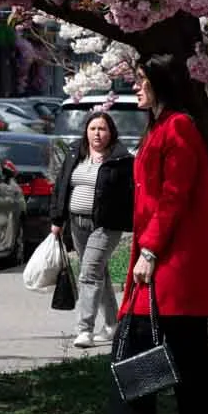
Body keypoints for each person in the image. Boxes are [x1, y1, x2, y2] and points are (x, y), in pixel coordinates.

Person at [104, 54, 208, 414]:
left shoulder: (180, 127)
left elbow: (174, 199)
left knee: (187, 369)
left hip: (173, 269)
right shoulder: (160, 126)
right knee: (144, 360)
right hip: (157, 266)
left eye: (140, 80)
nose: (135, 87)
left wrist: (149, 250)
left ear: (160, 82)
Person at [50, 110, 134, 348]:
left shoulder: (121, 160)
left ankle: (84, 329)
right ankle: (112, 325)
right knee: (99, 273)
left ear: (111, 133)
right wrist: (57, 220)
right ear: (86, 131)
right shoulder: (76, 153)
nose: (97, 134)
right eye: (93, 129)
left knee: (88, 273)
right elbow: (62, 185)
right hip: (77, 223)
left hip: (106, 225)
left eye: (103, 129)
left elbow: (131, 193)